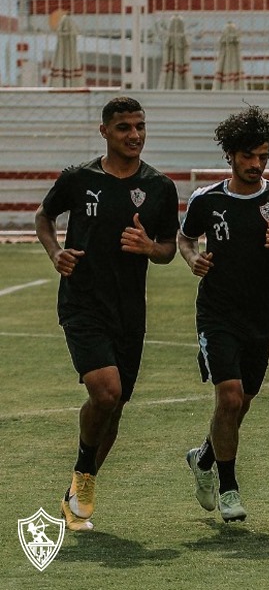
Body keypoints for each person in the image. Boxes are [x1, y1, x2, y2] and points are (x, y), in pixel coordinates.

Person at [35, 97, 179, 532]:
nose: (134, 135)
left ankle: (81, 485)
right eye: (123, 128)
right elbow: (44, 216)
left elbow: (168, 248)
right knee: (105, 392)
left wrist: (149, 247)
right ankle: (83, 473)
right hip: (82, 303)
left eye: (139, 126)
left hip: (129, 311)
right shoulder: (79, 179)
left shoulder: (160, 186)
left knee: (115, 407)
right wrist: (55, 252)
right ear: (104, 132)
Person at [179, 107, 269, 522]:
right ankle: (229, 488)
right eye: (248, 156)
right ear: (231, 155)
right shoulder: (207, 199)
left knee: (241, 404)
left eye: (263, 156)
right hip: (216, 313)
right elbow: (185, 239)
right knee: (230, 396)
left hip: (260, 318)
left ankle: (203, 457)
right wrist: (193, 259)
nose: (256, 164)